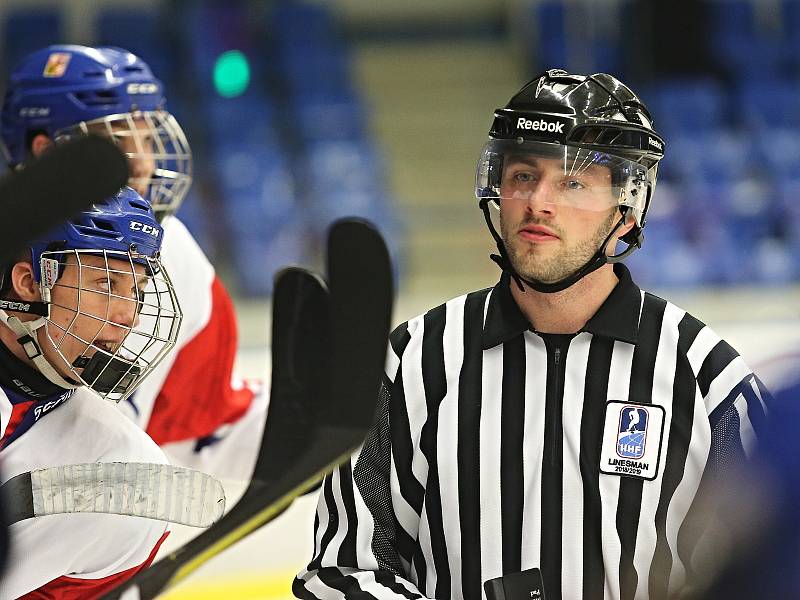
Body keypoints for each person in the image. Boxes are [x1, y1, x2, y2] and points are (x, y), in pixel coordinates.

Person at [293, 70, 769, 600]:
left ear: (627, 211)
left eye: (572, 182)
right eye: (523, 176)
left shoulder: (706, 376)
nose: (539, 202)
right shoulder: (410, 364)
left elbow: (771, 567)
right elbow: (342, 571)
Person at [0, 45, 267, 482]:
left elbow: (199, 418)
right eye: (115, 141)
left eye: (147, 138)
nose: (143, 163)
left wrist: (297, 426)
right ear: (47, 151)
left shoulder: (173, 252)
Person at [0, 187, 181, 597]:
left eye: (136, 290)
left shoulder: (123, 470)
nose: (128, 316)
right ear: (29, 282)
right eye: (106, 284)